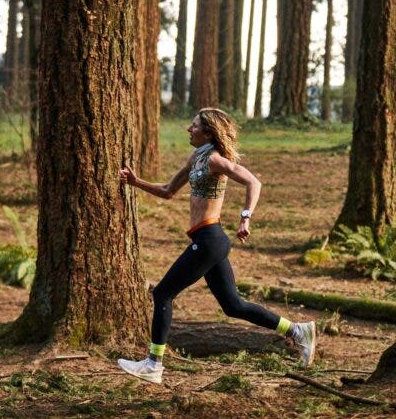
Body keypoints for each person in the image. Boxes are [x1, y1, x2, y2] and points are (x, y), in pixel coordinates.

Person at [117, 108, 316, 384]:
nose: (189, 129)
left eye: (194, 126)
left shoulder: (215, 159)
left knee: (163, 293)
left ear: (209, 133)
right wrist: (135, 182)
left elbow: (253, 181)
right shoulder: (196, 157)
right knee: (234, 306)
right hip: (207, 240)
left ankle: (153, 364)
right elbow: (168, 191)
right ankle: (297, 331)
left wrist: (245, 217)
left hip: (210, 240)